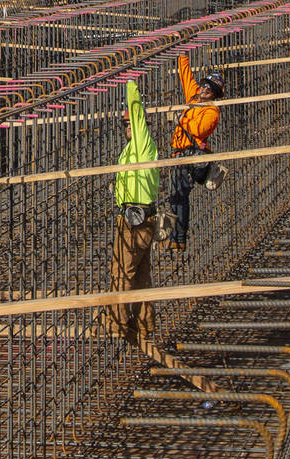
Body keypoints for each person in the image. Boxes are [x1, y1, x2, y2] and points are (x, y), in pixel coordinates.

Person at [106, 79, 160, 346]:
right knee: (140, 275)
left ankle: (117, 323)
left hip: (136, 221)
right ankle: (144, 324)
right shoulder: (131, 150)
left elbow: (137, 113)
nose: (128, 127)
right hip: (133, 217)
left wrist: (130, 83)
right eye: (125, 125)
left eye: (131, 124)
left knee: (121, 272)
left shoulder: (143, 144)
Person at [166, 56, 225, 251]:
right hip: (178, 154)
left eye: (210, 90)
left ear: (214, 95)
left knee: (179, 196)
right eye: (204, 85)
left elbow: (198, 130)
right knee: (175, 196)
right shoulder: (193, 97)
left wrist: (180, 119)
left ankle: (178, 238)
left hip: (191, 157)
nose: (204, 90)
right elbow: (185, 75)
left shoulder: (212, 112)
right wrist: (182, 51)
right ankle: (175, 237)